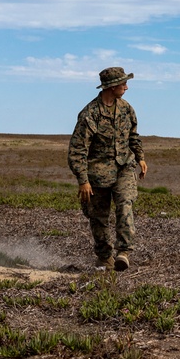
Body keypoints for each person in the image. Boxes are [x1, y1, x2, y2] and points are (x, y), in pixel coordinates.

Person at [67, 67, 148, 271]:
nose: (126, 87)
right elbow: (77, 150)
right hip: (97, 174)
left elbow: (133, 136)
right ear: (111, 87)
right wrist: (83, 180)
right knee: (98, 216)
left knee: (125, 205)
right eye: (123, 84)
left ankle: (123, 252)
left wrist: (140, 158)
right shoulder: (89, 114)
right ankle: (104, 257)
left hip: (124, 168)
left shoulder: (126, 109)